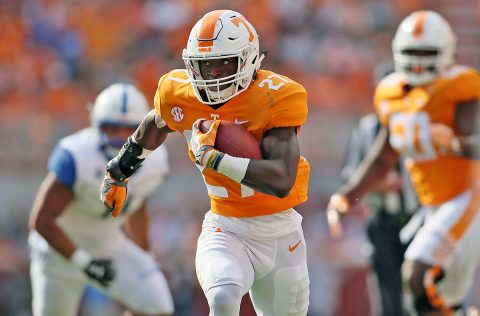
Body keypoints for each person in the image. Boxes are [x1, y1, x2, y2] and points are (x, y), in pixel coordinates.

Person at [100, 10, 310, 316]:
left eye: (223, 62)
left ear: (248, 58)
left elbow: (281, 180)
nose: (212, 74)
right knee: (223, 298)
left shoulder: (276, 96)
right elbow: (157, 124)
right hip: (226, 228)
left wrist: (215, 159)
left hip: (280, 233)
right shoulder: (180, 92)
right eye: (203, 65)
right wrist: (119, 170)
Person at [326, 10, 480, 316]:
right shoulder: (392, 94)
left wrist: (451, 141)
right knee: (428, 297)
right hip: (431, 206)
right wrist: (346, 196)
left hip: (465, 200)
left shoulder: (458, 88)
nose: (419, 60)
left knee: (417, 277)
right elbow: (383, 158)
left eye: (427, 52)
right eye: (413, 52)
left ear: (446, 53)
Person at [28, 83, 174, 316]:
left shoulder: (155, 161)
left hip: (107, 245)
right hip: (59, 254)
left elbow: (137, 206)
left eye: (129, 129)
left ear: (142, 129)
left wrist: (144, 256)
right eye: (112, 128)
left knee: (157, 306)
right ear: (97, 125)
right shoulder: (77, 154)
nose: (120, 138)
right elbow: (41, 221)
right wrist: (83, 262)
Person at [341, 112, 418, 316]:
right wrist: (377, 184)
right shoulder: (367, 127)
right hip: (382, 221)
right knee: (386, 295)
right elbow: (350, 175)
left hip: (417, 218)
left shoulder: (417, 122)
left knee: (420, 289)